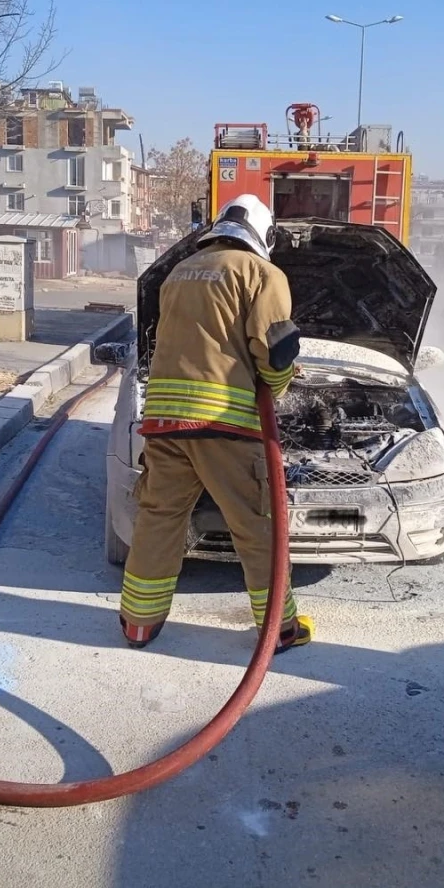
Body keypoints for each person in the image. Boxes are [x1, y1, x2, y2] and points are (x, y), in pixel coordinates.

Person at [120, 194, 313, 651]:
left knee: (159, 519)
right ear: (265, 234)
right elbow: (273, 350)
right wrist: (280, 383)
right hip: (225, 421)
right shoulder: (262, 273)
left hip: (164, 421)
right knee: (256, 526)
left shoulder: (179, 272)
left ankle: (138, 624)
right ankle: (280, 629)